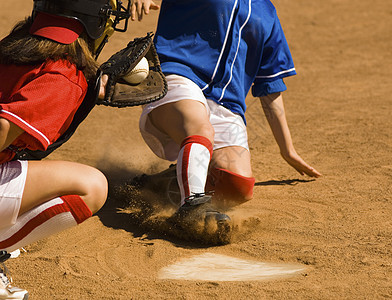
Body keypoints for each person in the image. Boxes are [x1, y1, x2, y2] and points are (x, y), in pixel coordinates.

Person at [137, 0, 322, 241]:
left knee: (237, 186)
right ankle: (192, 206)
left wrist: (287, 150)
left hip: (226, 104)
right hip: (177, 76)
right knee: (200, 128)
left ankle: (171, 180)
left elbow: (270, 86)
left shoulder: (266, 12)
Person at [0, 0, 145, 298]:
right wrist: (78, 89)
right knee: (91, 186)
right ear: (94, 22)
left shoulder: (14, 48)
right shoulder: (62, 75)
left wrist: (88, 93)